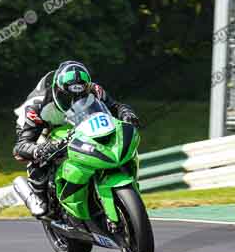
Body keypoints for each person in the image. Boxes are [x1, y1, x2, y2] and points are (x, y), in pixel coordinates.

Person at [13, 61, 140, 216]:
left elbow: (116, 107)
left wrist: (127, 114)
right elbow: (20, 146)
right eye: (68, 97)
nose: (74, 101)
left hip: (78, 121)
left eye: (81, 97)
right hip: (44, 126)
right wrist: (40, 149)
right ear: (58, 91)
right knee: (43, 155)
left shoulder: (95, 90)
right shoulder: (37, 105)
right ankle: (38, 196)